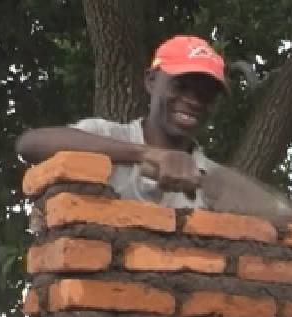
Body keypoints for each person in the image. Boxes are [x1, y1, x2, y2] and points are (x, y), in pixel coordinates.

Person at [15, 35, 229, 209]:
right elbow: (29, 144)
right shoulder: (106, 137)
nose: (193, 101)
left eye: (205, 95)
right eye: (180, 86)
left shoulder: (216, 182)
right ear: (151, 81)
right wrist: (146, 154)